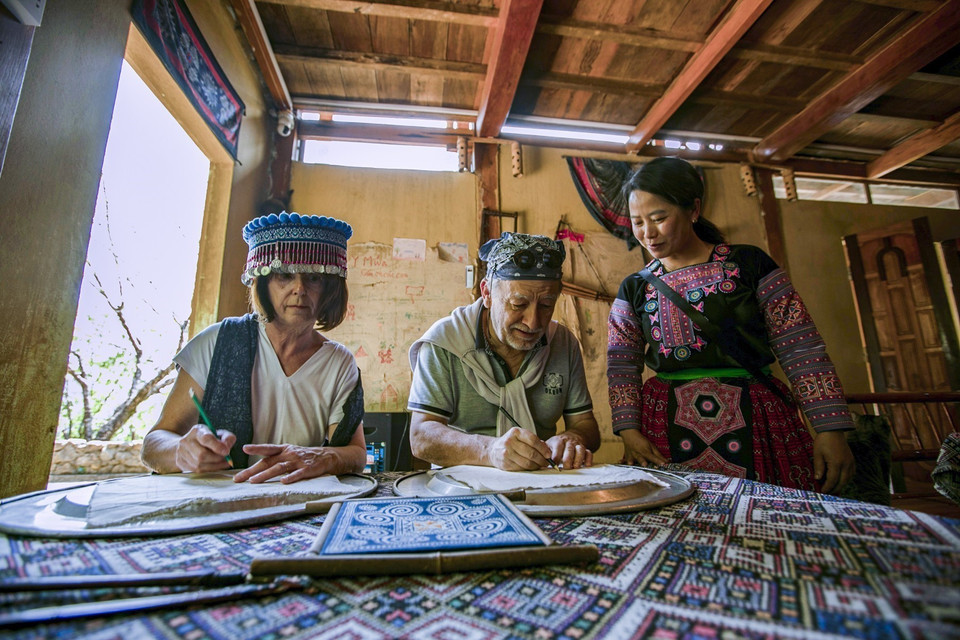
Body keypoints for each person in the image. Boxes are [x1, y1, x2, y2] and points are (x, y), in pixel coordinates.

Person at [607, 157, 855, 493]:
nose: (647, 233)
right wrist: (628, 430)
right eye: (637, 222)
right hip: (665, 428)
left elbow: (801, 345)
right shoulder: (635, 287)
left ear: (694, 209)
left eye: (659, 218)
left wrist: (829, 429)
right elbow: (621, 364)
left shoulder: (749, 264)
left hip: (758, 424)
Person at [141, 212, 366, 483]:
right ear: (263, 282)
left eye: (314, 278)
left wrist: (322, 456)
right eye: (283, 275)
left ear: (330, 288)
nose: (299, 288)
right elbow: (152, 445)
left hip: (298, 503)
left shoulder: (338, 362)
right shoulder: (216, 343)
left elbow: (356, 454)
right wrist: (181, 450)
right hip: (216, 503)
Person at [408, 232, 602, 471]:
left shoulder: (563, 343)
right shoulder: (444, 343)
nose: (533, 322)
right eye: (518, 305)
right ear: (487, 294)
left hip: (542, 484)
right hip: (462, 488)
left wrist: (572, 439)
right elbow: (421, 437)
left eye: (546, 305)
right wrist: (488, 451)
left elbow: (586, 425)